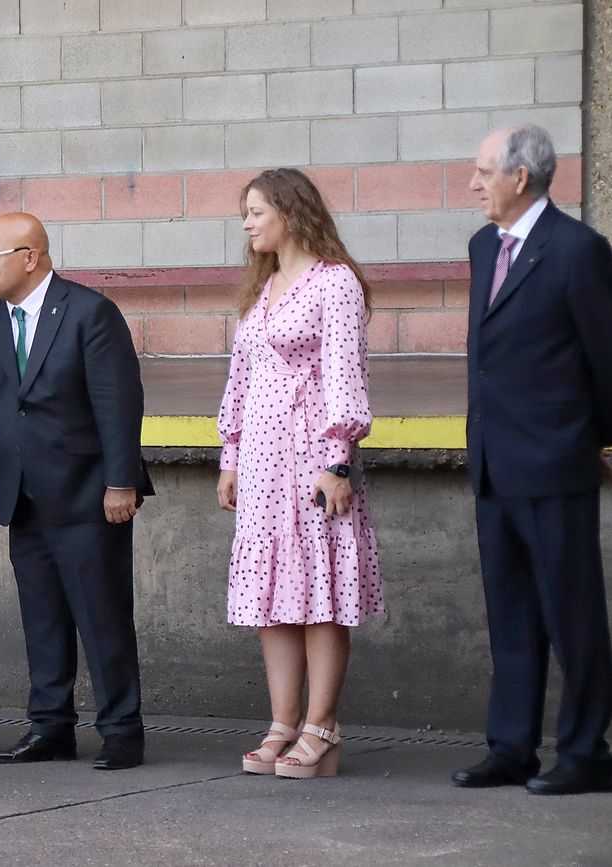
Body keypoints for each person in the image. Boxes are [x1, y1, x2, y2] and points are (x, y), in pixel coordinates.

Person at [0, 212, 152, 771]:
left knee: (101, 616)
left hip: (88, 494)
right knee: (42, 618)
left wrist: (121, 481)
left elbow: (118, 404)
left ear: (30, 256)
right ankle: (49, 727)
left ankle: (121, 730)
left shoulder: (89, 312)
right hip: (23, 496)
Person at [451, 124, 612, 796]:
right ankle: (511, 746)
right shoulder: (484, 244)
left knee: (572, 615)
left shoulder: (577, 250)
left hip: (555, 462)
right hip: (494, 463)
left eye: (484, 170)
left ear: (521, 176)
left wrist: (600, 441)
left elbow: (606, 358)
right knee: (510, 614)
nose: (473, 183)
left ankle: (586, 750)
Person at [216, 168, 383, 780]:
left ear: (290, 212)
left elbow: (345, 370)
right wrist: (231, 455)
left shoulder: (333, 283)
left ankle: (322, 726)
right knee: (273, 597)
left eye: (256, 211)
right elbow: (241, 376)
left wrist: (339, 458)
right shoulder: (264, 287)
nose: (247, 223)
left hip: (313, 457)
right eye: (245, 213)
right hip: (261, 461)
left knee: (320, 595)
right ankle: (282, 723)